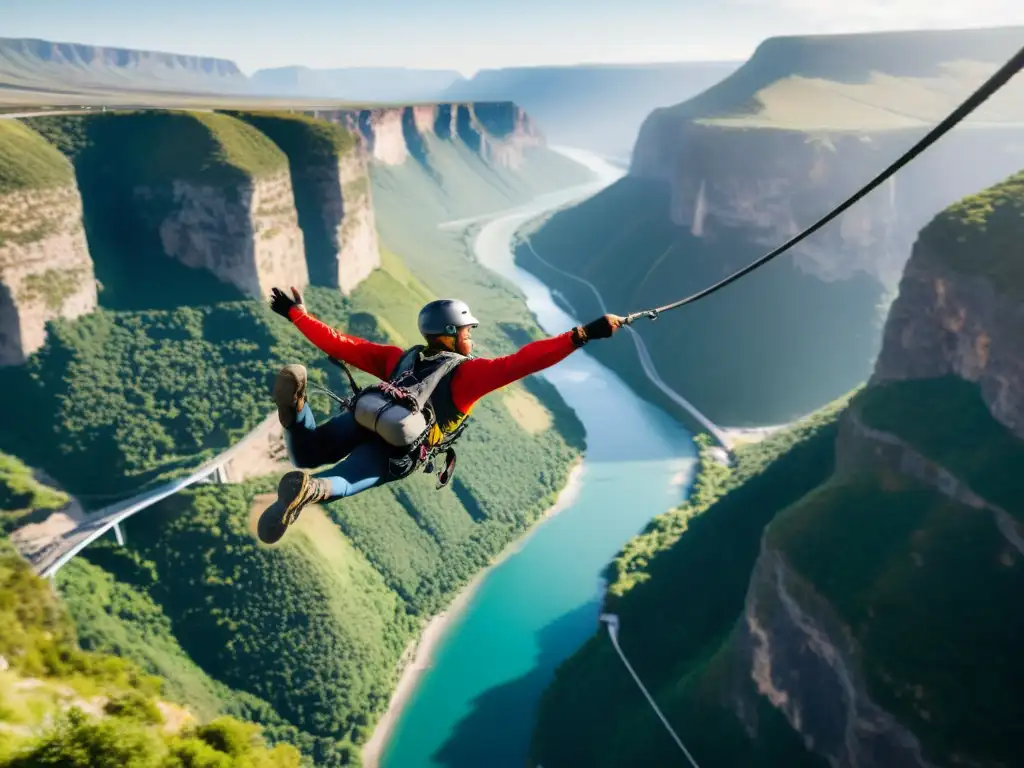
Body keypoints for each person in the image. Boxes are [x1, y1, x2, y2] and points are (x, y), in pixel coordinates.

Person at [257, 286, 624, 544]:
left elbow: (339, 342)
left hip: (367, 413)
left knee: (305, 452)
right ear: (450, 335)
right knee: (347, 477)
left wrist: (296, 315)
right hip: (401, 443)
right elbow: (525, 360)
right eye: (467, 331)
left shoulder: (397, 359)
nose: (471, 338)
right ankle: (312, 489)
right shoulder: (468, 375)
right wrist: (583, 333)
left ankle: (297, 410)